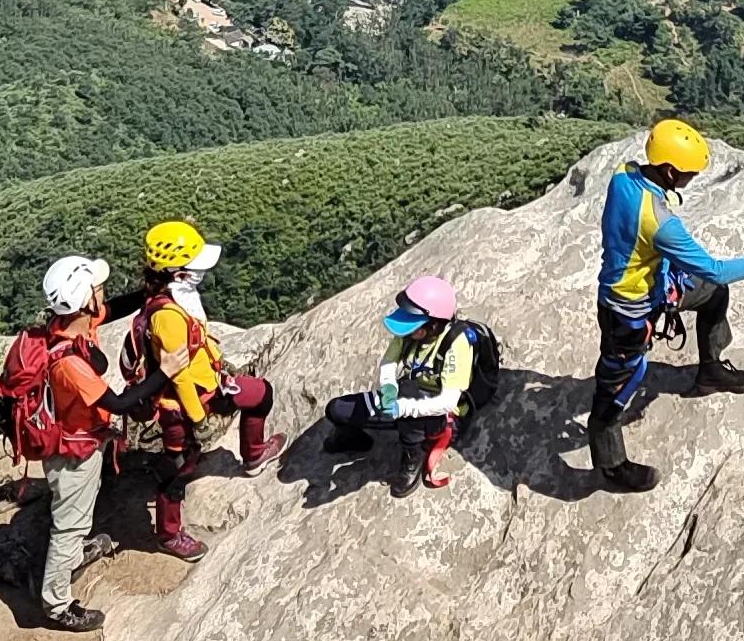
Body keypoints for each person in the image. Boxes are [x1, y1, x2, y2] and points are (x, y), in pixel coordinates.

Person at [590, 118, 744, 494]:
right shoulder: (661, 223)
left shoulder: (624, 176)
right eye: (688, 173)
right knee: (615, 388)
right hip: (628, 310)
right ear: (669, 170)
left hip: (653, 286)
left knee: (713, 295)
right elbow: (714, 268)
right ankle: (610, 466)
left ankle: (710, 369)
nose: (693, 178)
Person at [123, 217, 279, 559]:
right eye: (194, 267)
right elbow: (177, 375)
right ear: (178, 273)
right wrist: (198, 418)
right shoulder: (168, 316)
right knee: (177, 469)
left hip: (209, 386)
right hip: (181, 405)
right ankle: (168, 535)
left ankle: (254, 455)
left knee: (261, 394)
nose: (201, 272)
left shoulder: (176, 297)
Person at [0, 255, 116, 631]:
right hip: (72, 453)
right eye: (97, 288)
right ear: (86, 300)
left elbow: (115, 306)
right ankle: (58, 605)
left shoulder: (65, 325)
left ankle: (76, 554)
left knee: (76, 515)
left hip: (70, 442)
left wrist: (156, 289)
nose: (103, 292)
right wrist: (169, 371)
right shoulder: (71, 364)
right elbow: (120, 403)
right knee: (68, 526)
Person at [320, 275, 497, 493]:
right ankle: (354, 440)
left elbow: (447, 401)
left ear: (433, 324)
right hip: (410, 398)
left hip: (444, 412)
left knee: (408, 395)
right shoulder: (412, 334)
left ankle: (412, 457)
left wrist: (403, 408)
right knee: (337, 409)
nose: (406, 328)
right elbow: (389, 362)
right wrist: (388, 386)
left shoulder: (456, 344)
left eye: (413, 322)